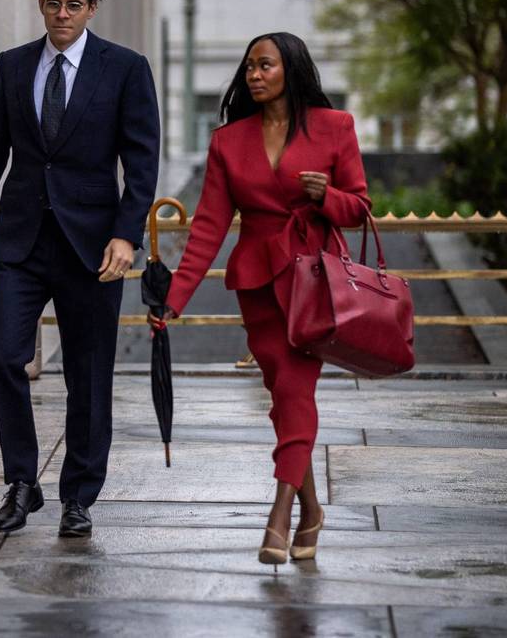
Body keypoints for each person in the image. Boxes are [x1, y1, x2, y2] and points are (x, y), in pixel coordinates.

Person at [0, 0, 160, 538]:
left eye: (73, 5)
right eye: (53, 4)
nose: (62, 14)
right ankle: (22, 481)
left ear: (92, 8)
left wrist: (126, 234)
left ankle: (79, 497)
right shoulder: (14, 65)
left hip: (93, 249)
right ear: (40, 4)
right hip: (21, 243)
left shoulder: (125, 68)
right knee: (2, 358)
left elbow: (142, 163)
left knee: (88, 376)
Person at [152, 32, 370, 563]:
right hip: (258, 287)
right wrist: (175, 298)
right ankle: (312, 511)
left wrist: (327, 196)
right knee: (285, 397)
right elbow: (208, 227)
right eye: (249, 66)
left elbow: (360, 208)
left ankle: (279, 516)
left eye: (265, 65)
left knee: (296, 393)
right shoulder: (228, 141)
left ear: (291, 69)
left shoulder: (335, 126)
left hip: (314, 285)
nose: (254, 74)